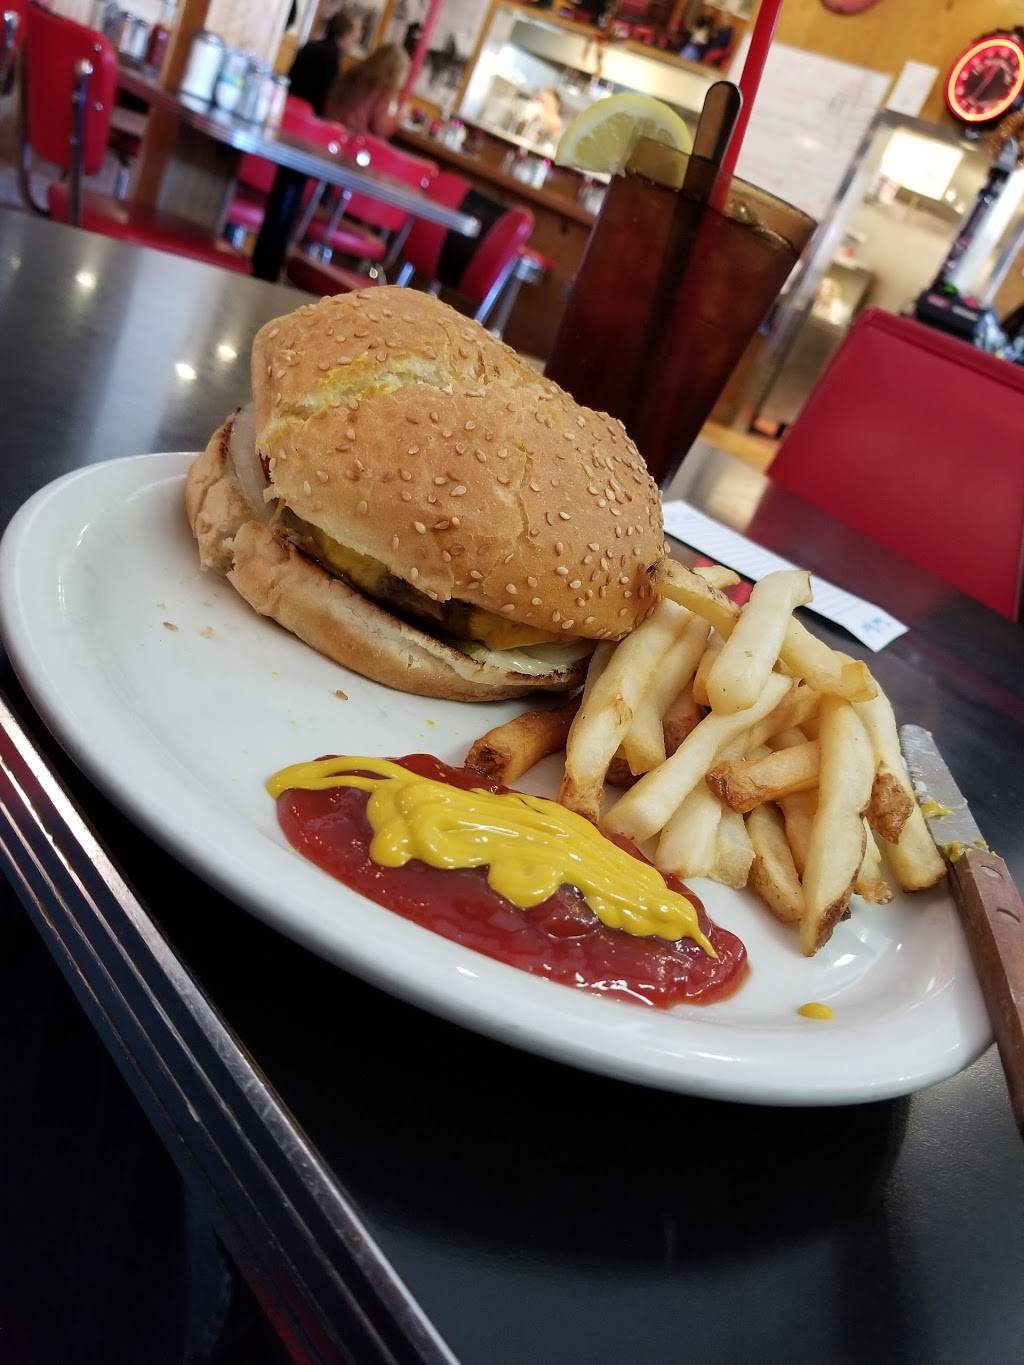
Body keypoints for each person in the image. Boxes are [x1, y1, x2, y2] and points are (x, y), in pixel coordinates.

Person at [325, 43, 410, 140]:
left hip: (328, 128)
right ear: (395, 71)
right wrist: (399, 117)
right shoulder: (383, 87)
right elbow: (380, 128)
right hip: (352, 138)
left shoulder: (352, 73)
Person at [288, 11, 355, 116]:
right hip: (308, 114)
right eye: (352, 37)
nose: (352, 42)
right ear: (345, 35)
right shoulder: (332, 58)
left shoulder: (309, 45)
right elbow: (326, 96)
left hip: (289, 103)